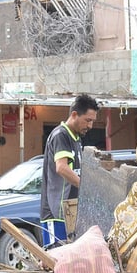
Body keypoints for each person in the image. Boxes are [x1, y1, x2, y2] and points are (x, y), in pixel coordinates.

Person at [40, 93, 100, 246]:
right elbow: (61, 167)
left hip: (71, 213)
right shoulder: (61, 135)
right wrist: (86, 188)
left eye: (93, 121)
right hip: (56, 213)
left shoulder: (76, 139)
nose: (90, 126)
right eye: (88, 120)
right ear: (74, 115)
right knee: (55, 261)